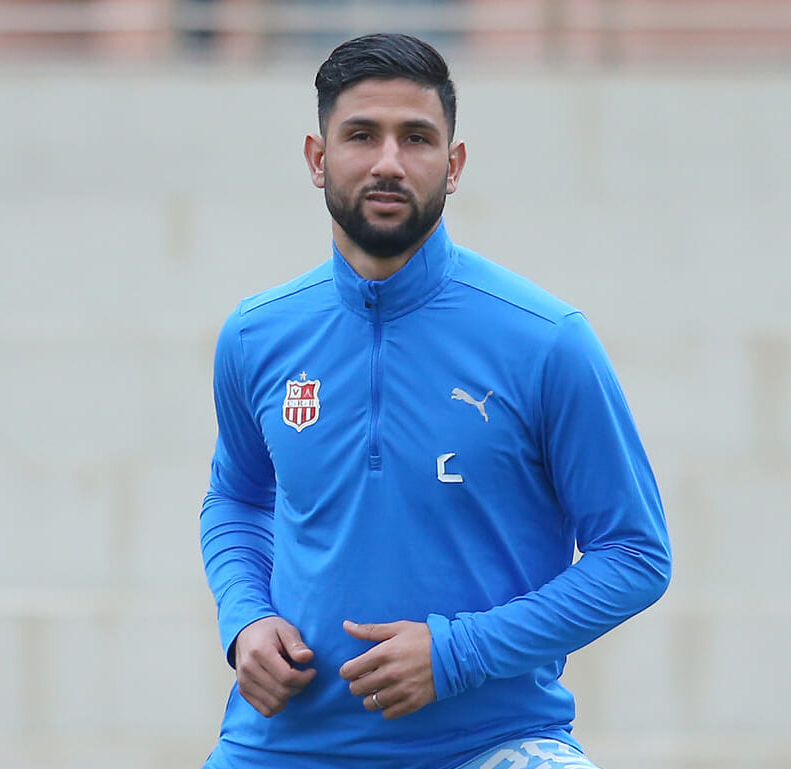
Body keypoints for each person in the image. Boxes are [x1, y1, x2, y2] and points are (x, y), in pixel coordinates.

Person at [199, 32, 671, 769]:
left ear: (453, 166)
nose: (388, 162)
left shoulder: (547, 340)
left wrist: (458, 652)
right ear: (318, 159)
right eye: (362, 135)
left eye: (416, 138)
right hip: (284, 746)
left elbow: (635, 553)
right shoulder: (256, 335)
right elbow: (236, 497)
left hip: (487, 744)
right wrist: (245, 617)